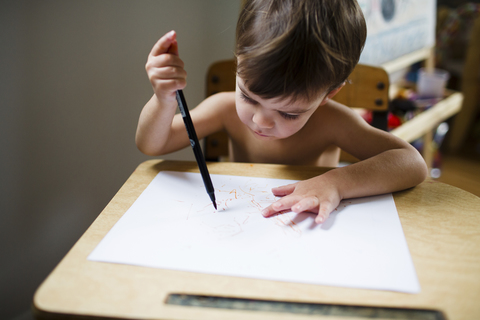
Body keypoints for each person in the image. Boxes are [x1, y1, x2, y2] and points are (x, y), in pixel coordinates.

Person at [136, 0, 428, 224]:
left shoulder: (333, 122)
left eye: (289, 114)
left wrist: (336, 182)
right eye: (248, 96)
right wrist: (163, 99)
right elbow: (152, 144)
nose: (260, 120)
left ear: (329, 94)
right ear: (239, 62)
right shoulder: (223, 108)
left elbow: (411, 163)